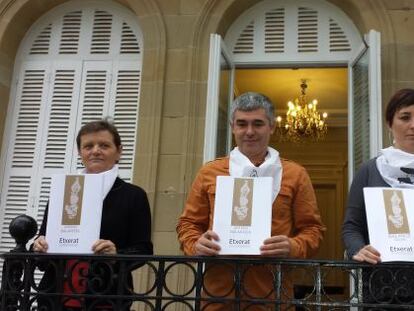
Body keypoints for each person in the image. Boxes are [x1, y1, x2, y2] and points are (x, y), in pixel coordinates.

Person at [176, 92, 325, 310]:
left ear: (272, 126)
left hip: (273, 297)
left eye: (258, 124)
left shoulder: (295, 174)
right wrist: (196, 244)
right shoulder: (210, 172)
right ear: (232, 126)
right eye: (242, 124)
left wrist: (293, 246)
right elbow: (187, 224)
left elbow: (313, 230)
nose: (249, 132)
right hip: (218, 296)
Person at [32, 119, 153, 310]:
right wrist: (38, 246)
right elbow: (43, 244)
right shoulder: (63, 190)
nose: (95, 151)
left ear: (119, 151)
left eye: (104, 145)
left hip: (107, 298)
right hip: (55, 296)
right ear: (80, 153)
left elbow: (143, 250)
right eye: (88, 146)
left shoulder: (134, 195)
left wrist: (116, 254)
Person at [342, 88, 414, 306]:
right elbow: (351, 227)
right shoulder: (370, 170)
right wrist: (358, 248)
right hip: (382, 287)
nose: (413, 125)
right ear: (389, 123)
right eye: (405, 117)